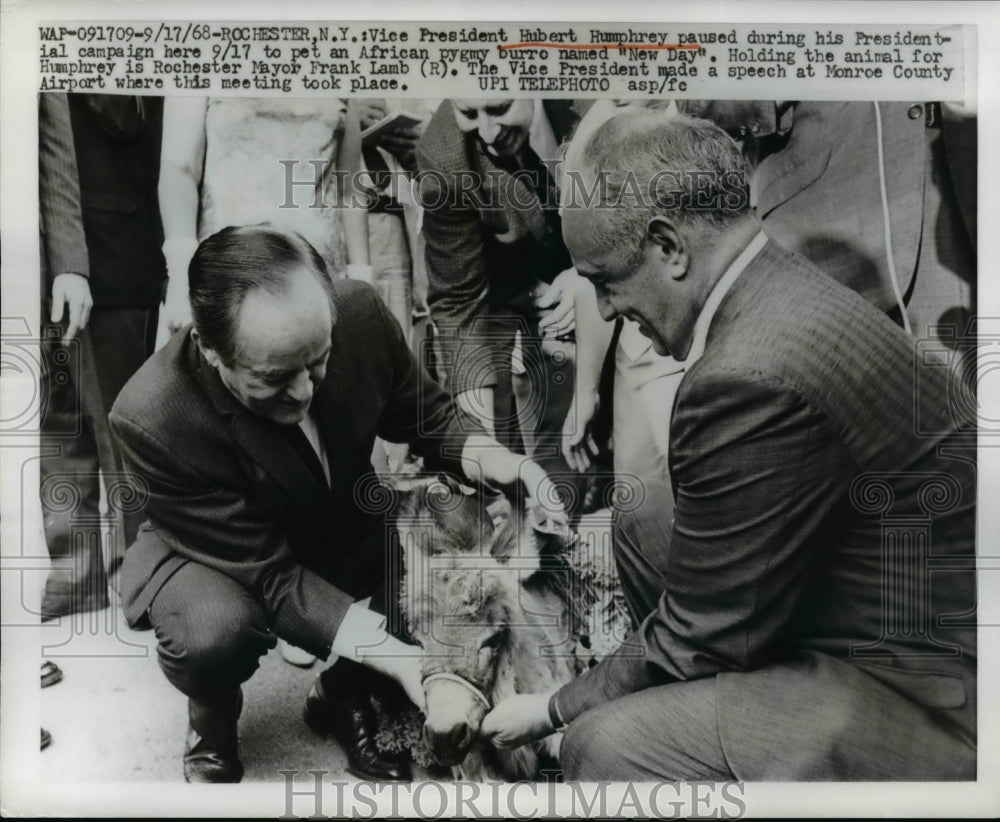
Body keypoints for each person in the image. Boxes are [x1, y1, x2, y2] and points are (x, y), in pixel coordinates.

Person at [480, 110, 976, 781]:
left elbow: (700, 629)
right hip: (896, 614)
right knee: (643, 517)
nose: (599, 310)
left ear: (670, 247)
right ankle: (705, 715)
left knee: (602, 749)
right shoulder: (778, 284)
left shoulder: (745, 377)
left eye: (604, 280)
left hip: (936, 702)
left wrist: (555, 709)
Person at [108, 224, 566, 783]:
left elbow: (428, 417)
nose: (305, 391)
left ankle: (341, 693)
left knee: (433, 552)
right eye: (276, 377)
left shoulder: (359, 314)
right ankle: (212, 713)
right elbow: (272, 578)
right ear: (209, 348)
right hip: (219, 553)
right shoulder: (152, 417)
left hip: (334, 514)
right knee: (212, 631)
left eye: (318, 361)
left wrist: (501, 461)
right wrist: (405, 662)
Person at [38, 93, 166, 622]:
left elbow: (126, 119)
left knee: (124, 433)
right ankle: (78, 574)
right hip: (51, 259)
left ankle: (146, 578)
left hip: (113, 256)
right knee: (59, 426)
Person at [415, 99, 590, 485]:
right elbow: (458, 303)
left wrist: (590, 277)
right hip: (514, 281)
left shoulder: (591, 97)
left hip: (605, 256)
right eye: (469, 114)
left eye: (498, 108)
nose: (488, 132)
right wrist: (482, 446)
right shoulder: (445, 156)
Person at [156, 96, 371, 344]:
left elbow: (349, 188)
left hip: (318, 274)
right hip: (231, 270)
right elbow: (179, 169)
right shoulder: (196, 61)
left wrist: (362, 280)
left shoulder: (345, 65)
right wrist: (181, 277)